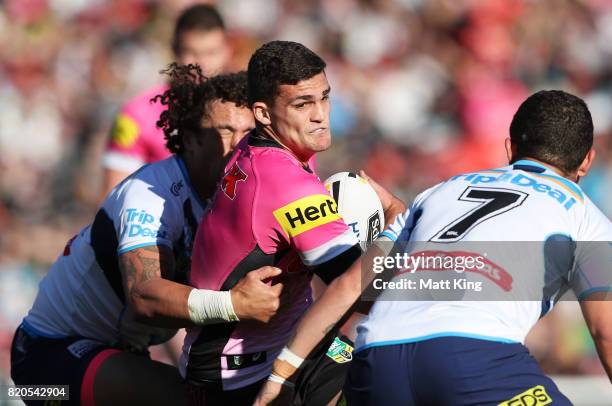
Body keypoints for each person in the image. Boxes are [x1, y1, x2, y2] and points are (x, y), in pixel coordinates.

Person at [255, 90, 612, 405]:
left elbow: (348, 287)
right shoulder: (586, 217)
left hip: (378, 363)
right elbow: (605, 331)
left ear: (510, 148)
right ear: (587, 161)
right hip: (473, 358)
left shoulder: (438, 191)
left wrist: (279, 376)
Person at [10, 66, 281, 406]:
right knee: (191, 398)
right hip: (48, 361)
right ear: (192, 139)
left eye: (247, 134)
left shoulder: (240, 197)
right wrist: (233, 305)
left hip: (123, 352)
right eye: (223, 132)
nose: (236, 147)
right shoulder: (151, 193)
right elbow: (145, 297)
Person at [182, 41, 405, 405]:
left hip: (292, 345)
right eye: (303, 104)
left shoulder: (263, 151)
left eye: (324, 98)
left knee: (376, 365)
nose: (320, 115)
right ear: (264, 114)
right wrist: (396, 219)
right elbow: (367, 298)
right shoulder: (288, 185)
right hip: (239, 374)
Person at [101, 3, 231, 195]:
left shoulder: (246, 113)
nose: (201, 65)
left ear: (227, 52)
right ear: (175, 51)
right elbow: (113, 200)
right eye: (192, 53)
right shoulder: (137, 115)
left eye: (211, 53)